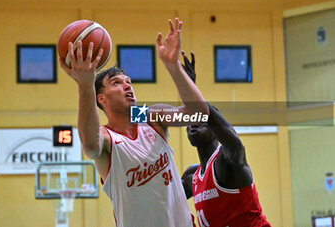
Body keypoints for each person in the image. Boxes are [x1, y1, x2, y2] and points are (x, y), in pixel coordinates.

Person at [59, 18, 208, 227]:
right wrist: (85, 87)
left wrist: (173, 66)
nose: (127, 86)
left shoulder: (148, 117)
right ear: (101, 98)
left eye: (128, 82)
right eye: (117, 83)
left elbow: (199, 114)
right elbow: (90, 146)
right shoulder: (107, 137)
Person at [181, 52, 271, 227]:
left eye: (201, 120)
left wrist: (192, 90)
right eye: (191, 119)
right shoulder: (191, 176)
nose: (194, 124)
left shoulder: (226, 159)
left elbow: (234, 142)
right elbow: (161, 196)